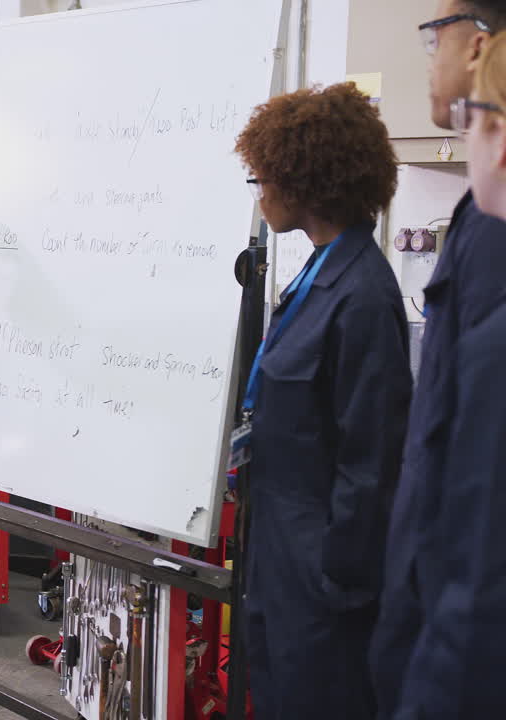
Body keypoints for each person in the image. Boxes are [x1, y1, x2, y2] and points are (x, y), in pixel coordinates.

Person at [234, 83, 412, 720]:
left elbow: (373, 460)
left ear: (302, 178)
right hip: (281, 556)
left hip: (323, 581)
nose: (260, 194)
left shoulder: (362, 292)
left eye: (262, 178)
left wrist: (336, 582)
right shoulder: (317, 272)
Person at [371, 3, 506, 717]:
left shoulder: (492, 225)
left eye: (435, 34)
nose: (427, 52)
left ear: (478, 42)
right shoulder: (477, 215)